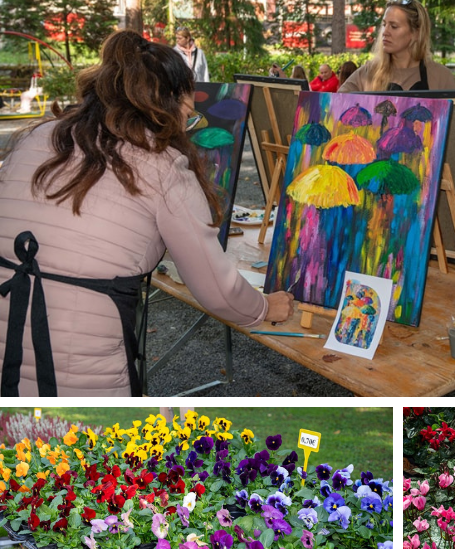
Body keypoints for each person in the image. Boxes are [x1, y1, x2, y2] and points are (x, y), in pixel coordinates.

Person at [0, 31, 294, 396]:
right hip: (79, 368)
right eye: (186, 117)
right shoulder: (160, 164)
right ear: (164, 106)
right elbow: (216, 290)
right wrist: (264, 306)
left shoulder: (39, 136)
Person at [339, 0, 455, 92]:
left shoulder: (442, 78)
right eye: (384, 25)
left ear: (416, 33)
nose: (385, 32)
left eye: (394, 26)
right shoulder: (367, 73)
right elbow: (336, 109)